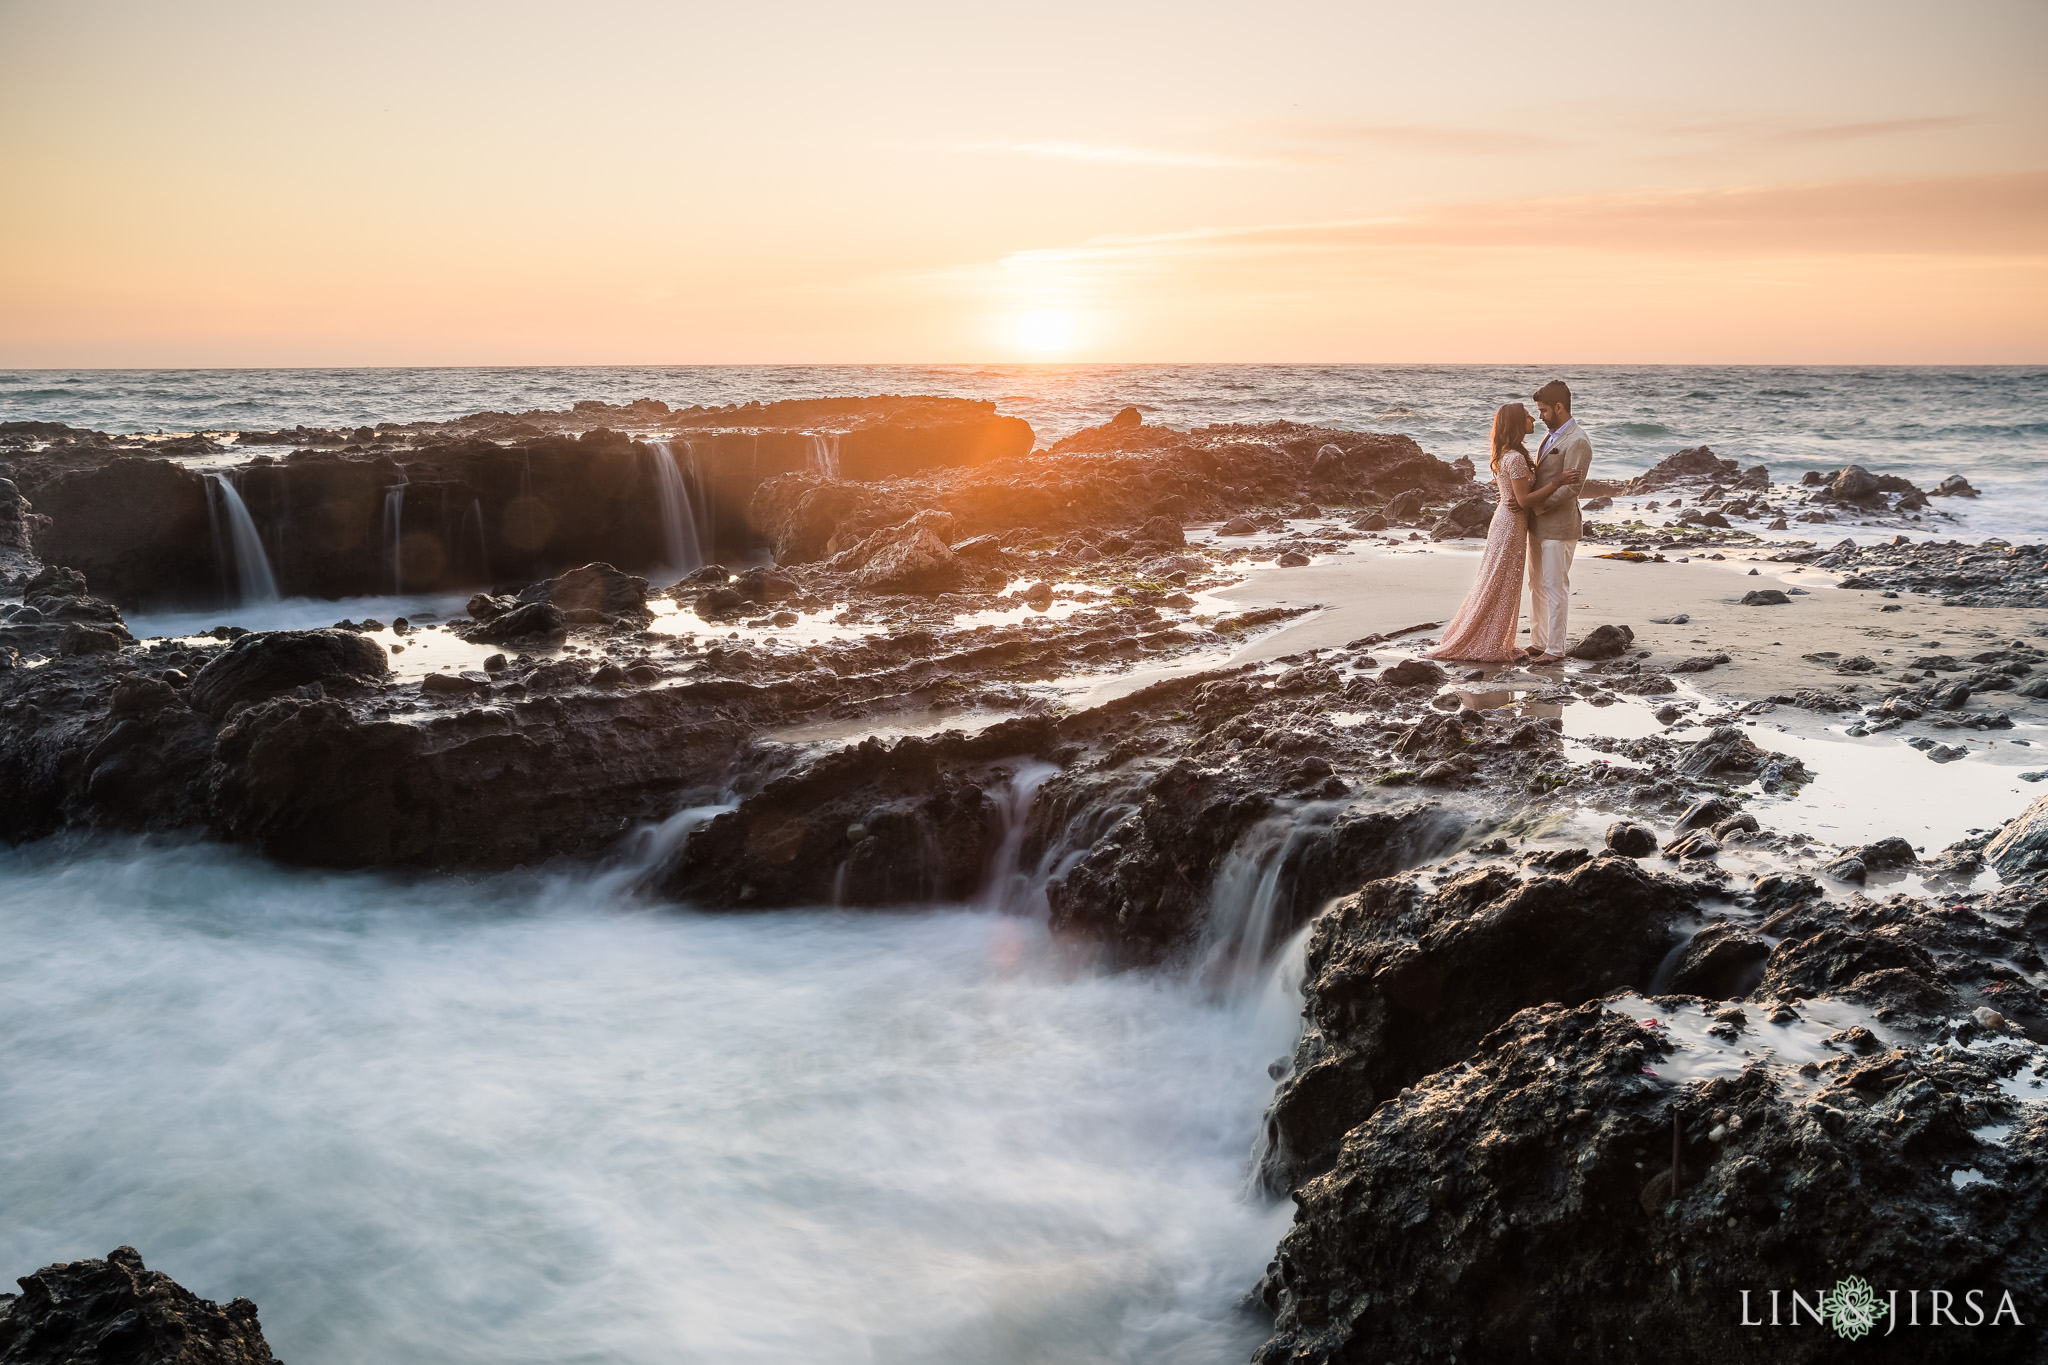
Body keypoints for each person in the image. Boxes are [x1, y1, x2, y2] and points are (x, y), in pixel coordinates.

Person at [1426, 403, 1582, 662]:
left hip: (1508, 522)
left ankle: (1488, 634)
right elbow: (1522, 500)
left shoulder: (1509, 454)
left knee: (1496, 581)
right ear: (1515, 424)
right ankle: (1487, 638)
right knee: (1501, 582)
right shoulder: (1516, 457)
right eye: (1527, 416)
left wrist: (1515, 495)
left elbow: (1516, 493)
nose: (1534, 418)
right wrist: (1558, 482)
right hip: (1510, 526)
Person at [1525, 379, 1592, 663]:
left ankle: (1555, 648)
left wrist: (1537, 505)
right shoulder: (1550, 436)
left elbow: (1572, 488)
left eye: (1543, 411)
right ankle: (1538, 641)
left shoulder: (1578, 440)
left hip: (1560, 525)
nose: (1540, 416)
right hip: (1537, 524)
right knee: (1536, 584)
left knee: (1555, 585)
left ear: (1559, 407)